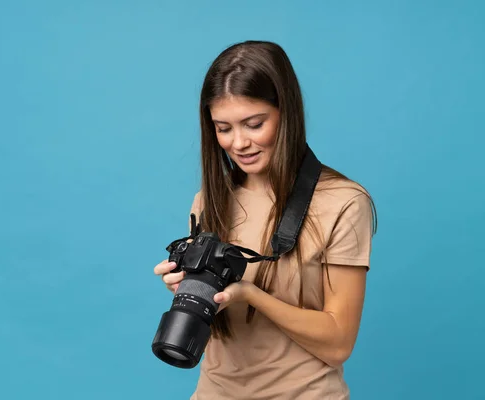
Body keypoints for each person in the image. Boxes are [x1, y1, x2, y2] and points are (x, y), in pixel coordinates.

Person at [153, 40, 377, 400]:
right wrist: (192, 287)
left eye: (254, 124)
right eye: (223, 128)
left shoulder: (343, 203)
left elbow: (338, 344)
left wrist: (251, 295)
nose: (238, 142)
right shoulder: (209, 199)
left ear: (285, 112)